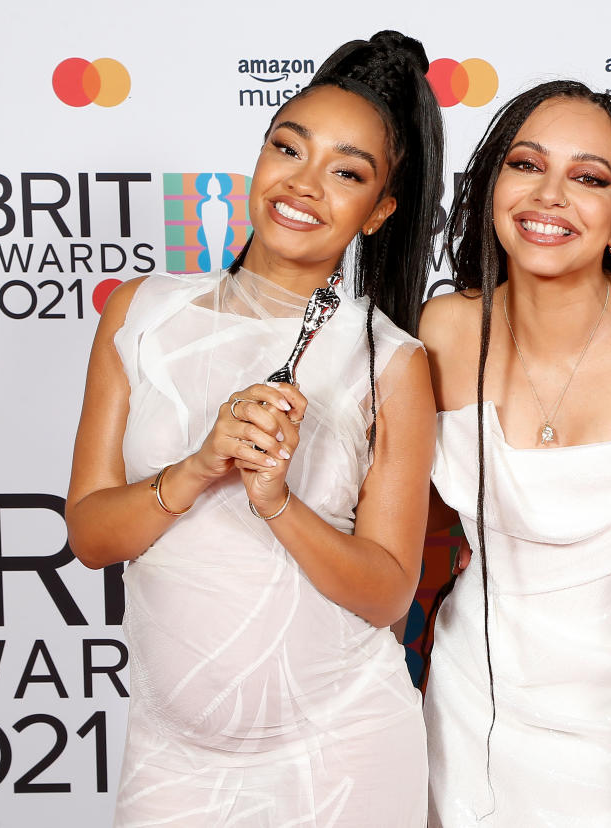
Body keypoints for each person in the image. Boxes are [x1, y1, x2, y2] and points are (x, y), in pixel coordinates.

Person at [65, 31, 443, 826]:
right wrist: (202, 466)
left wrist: (276, 499)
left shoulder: (392, 363)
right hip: (174, 756)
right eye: (288, 148)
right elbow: (94, 536)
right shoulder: (140, 312)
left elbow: (387, 595)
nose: (303, 185)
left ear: (379, 212)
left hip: (343, 750)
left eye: (346, 172)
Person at [420, 80, 611, 826]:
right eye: (527, 165)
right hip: (475, 711)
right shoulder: (441, 331)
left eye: (588, 178)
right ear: (492, 186)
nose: (551, 194)